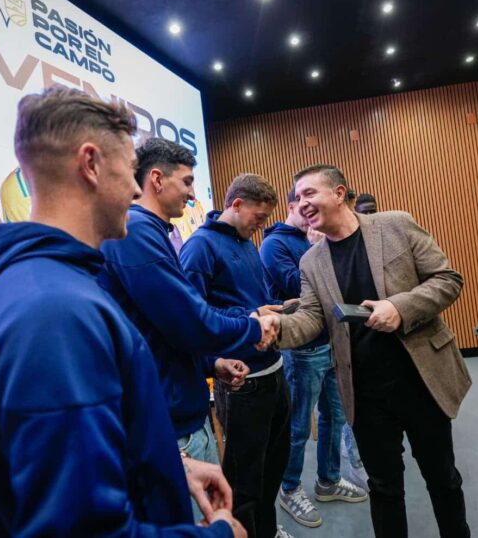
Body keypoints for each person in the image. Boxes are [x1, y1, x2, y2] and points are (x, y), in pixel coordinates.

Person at [0, 87, 244, 537]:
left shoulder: (51, 288)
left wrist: (170, 467)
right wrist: (217, 535)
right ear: (91, 163)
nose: (137, 188)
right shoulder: (53, 312)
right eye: (127, 170)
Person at [270, 164, 471, 537]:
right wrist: (274, 329)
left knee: (442, 478)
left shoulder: (396, 225)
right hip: (364, 392)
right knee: (383, 487)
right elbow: (313, 319)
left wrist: (400, 308)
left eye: (309, 193)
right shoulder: (311, 261)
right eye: (297, 198)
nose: (302, 202)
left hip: (421, 379)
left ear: (339, 192)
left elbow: (448, 280)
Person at [99, 138, 276, 518]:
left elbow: (162, 328)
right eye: (187, 181)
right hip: (170, 425)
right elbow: (188, 320)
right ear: (157, 179)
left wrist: (209, 365)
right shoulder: (136, 231)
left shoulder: (153, 232)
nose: (193, 192)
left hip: (183, 413)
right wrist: (252, 328)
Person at [180, 174, 293, 538]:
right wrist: (250, 318)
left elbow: (246, 304)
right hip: (242, 381)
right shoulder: (199, 248)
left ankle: (268, 531)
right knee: (244, 480)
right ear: (237, 204)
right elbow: (194, 318)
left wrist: (268, 309)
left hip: (275, 370)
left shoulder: (246, 243)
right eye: (258, 217)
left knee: (273, 467)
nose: (262, 226)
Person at [259, 187, 367, 528]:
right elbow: (302, 287)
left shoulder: (317, 239)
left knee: (335, 418)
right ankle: (290, 489)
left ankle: (328, 480)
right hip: (303, 348)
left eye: (313, 204)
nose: (309, 211)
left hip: (332, 342)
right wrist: (319, 247)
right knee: (298, 427)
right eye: (302, 205)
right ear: (292, 206)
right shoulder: (275, 244)